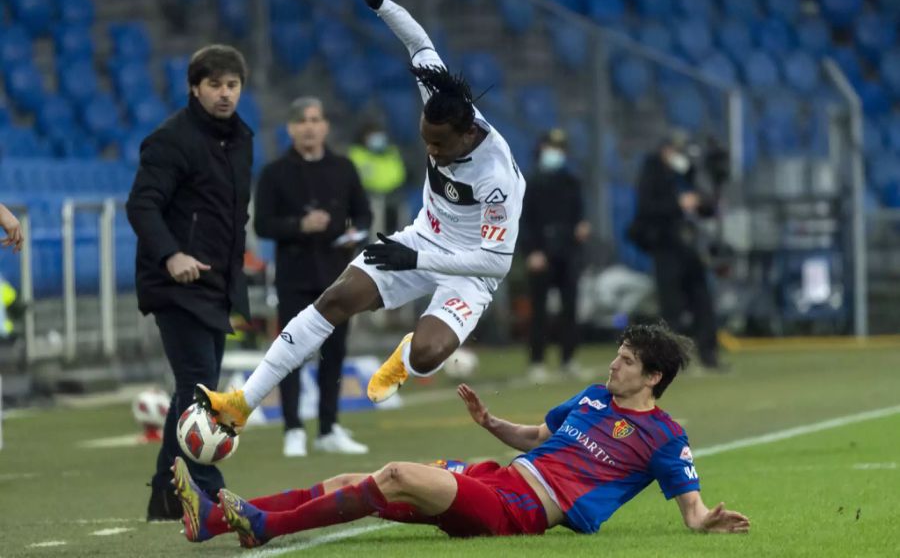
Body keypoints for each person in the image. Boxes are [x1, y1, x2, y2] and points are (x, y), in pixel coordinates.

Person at [194, 0, 526, 436]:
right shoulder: (443, 103)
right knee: (338, 298)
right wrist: (381, 5)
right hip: (422, 238)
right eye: (425, 140)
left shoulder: (498, 179)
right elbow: (420, 44)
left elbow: (496, 262)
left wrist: (418, 258)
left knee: (431, 354)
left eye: (438, 145)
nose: (429, 151)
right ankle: (242, 401)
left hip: (470, 268)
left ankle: (405, 357)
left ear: (468, 133)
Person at [171, 323, 750, 546]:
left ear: (653, 377)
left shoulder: (666, 438)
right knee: (360, 479)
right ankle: (218, 521)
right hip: (497, 479)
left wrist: (708, 520)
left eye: (626, 361)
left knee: (395, 474)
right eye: (617, 356)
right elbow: (535, 437)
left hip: (523, 510)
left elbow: (691, 511)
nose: (613, 365)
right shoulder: (593, 397)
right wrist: (491, 424)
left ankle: (266, 527)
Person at [126, 44, 254, 521]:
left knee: (192, 391)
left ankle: (165, 494)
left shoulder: (242, 139)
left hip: (216, 284)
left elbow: (233, 215)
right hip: (175, 283)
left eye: (232, 85)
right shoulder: (170, 140)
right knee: (199, 391)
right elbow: (141, 205)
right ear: (194, 88)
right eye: (215, 85)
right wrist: (172, 255)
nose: (224, 94)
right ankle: (211, 492)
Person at [254, 96, 372, 457]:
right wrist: (299, 225)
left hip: (337, 276)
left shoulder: (343, 168)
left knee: (334, 353)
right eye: (302, 120)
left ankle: (328, 427)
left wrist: (355, 235)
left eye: (315, 119)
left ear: (325, 126)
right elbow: (262, 224)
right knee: (290, 351)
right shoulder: (275, 173)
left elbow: (364, 216)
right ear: (291, 128)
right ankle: (292, 428)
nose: (309, 126)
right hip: (294, 275)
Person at [628, 130, 722, 371]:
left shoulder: (688, 173)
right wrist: (678, 204)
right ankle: (673, 361)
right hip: (666, 245)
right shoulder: (652, 175)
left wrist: (703, 199)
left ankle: (709, 355)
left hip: (690, 245)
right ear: (665, 150)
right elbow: (647, 208)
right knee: (672, 306)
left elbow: (708, 204)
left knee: (702, 301)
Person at [520, 128, 591, 383]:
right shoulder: (530, 182)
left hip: (568, 251)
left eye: (560, 149)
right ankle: (537, 362)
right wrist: (531, 251)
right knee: (538, 310)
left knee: (569, 308)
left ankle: (568, 359)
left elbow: (579, 214)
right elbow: (523, 220)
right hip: (541, 251)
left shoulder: (571, 182)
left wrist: (582, 227)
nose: (556, 153)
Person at [348, 120, 407, 233]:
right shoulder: (356, 154)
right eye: (372, 136)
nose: (377, 139)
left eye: (379, 135)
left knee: (403, 210)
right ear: (363, 138)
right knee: (376, 209)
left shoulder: (391, 152)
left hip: (393, 195)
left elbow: (399, 174)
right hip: (369, 197)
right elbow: (365, 179)